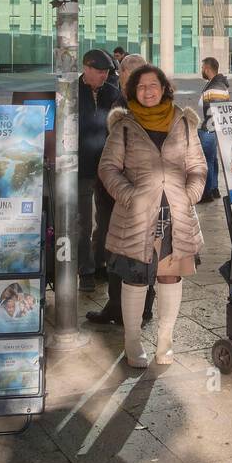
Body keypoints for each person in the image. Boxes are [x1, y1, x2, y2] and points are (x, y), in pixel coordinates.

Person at [99, 65, 207, 368]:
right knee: (134, 280)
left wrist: (190, 195)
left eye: (154, 85)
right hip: (135, 217)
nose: (148, 91)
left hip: (175, 216)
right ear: (133, 91)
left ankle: (165, 342)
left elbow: (198, 167)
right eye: (141, 86)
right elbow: (108, 168)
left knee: (170, 277)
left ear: (164, 89)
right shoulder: (124, 125)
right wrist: (129, 196)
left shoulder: (183, 123)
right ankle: (132, 343)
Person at [87, 54, 155, 328]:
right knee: (114, 251)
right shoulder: (120, 100)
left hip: (133, 195)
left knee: (140, 252)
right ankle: (117, 305)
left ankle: (142, 308)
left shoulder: (147, 107)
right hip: (112, 193)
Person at [77, 49, 121, 293]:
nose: (104, 77)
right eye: (100, 72)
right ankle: (85, 270)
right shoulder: (70, 92)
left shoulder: (113, 94)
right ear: (86, 68)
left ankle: (101, 260)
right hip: (81, 167)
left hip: (106, 168)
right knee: (82, 222)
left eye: (107, 72)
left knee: (105, 220)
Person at [197, 57, 229, 203]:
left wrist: (208, 128)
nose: (202, 70)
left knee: (207, 160)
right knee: (212, 159)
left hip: (210, 128)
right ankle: (214, 188)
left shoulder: (215, 87)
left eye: (203, 67)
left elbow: (216, 110)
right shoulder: (215, 84)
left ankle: (207, 192)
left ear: (208, 69)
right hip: (212, 128)